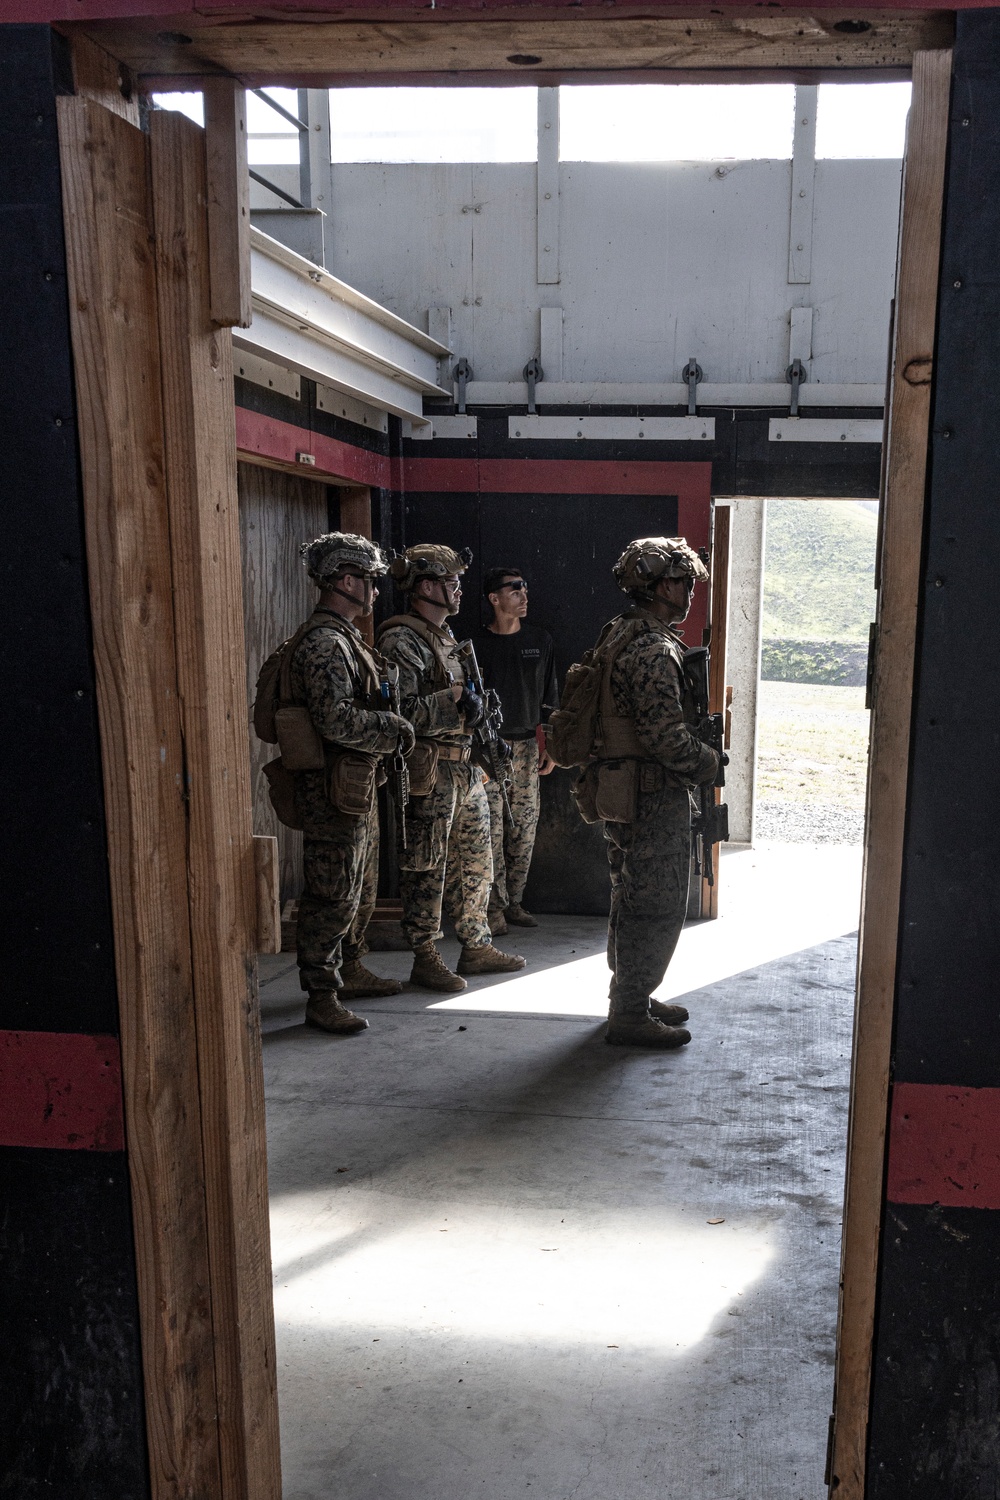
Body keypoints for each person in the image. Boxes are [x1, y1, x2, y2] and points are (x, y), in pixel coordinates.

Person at [584, 537, 720, 1049]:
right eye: (684, 582)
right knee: (656, 904)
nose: (689, 592)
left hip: (626, 793)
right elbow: (666, 738)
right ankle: (629, 1014)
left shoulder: (620, 634)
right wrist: (709, 763)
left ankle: (633, 997)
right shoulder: (654, 649)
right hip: (653, 796)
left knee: (630, 895)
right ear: (661, 585)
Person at [377, 544, 526, 993]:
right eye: (452, 582)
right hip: (431, 772)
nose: (460, 591)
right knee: (427, 866)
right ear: (426, 586)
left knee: (478, 863)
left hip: (464, 768)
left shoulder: (447, 639)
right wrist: (456, 700)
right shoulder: (400, 640)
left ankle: (476, 945)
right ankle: (425, 955)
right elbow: (398, 712)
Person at [290, 532, 416, 1035]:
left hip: (353, 786)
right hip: (332, 792)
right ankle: (321, 994)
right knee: (333, 893)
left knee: (359, 889)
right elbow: (334, 720)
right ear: (346, 580)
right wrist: (394, 728)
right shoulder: (325, 643)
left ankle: (350, 967)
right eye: (369, 581)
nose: (376, 592)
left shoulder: (345, 638)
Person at [474, 566, 558, 935]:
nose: (524, 596)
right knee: (489, 830)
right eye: (515, 590)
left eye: (525, 589)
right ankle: (492, 908)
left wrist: (550, 745)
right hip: (488, 748)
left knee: (523, 828)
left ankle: (515, 903)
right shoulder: (475, 646)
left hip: (525, 747)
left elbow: (551, 701)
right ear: (495, 599)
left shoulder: (540, 640)